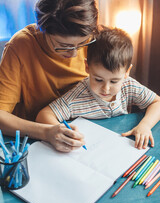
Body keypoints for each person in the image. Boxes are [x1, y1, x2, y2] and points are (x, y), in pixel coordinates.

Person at [36, 26, 160, 151]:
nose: (106, 89)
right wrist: (63, 132)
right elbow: (44, 115)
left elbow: (157, 102)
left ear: (127, 72)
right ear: (87, 67)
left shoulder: (128, 85)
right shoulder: (77, 96)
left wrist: (145, 125)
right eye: (98, 80)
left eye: (114, 81)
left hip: (120, 149)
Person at [0, 0, 98, 152]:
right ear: (42, 28)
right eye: (63, 46)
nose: (73, 54)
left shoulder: (95, 38)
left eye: (81, 44)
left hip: (85, 133)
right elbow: (1, 117)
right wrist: (46, 132)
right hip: (36, 142)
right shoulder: (20, 46)